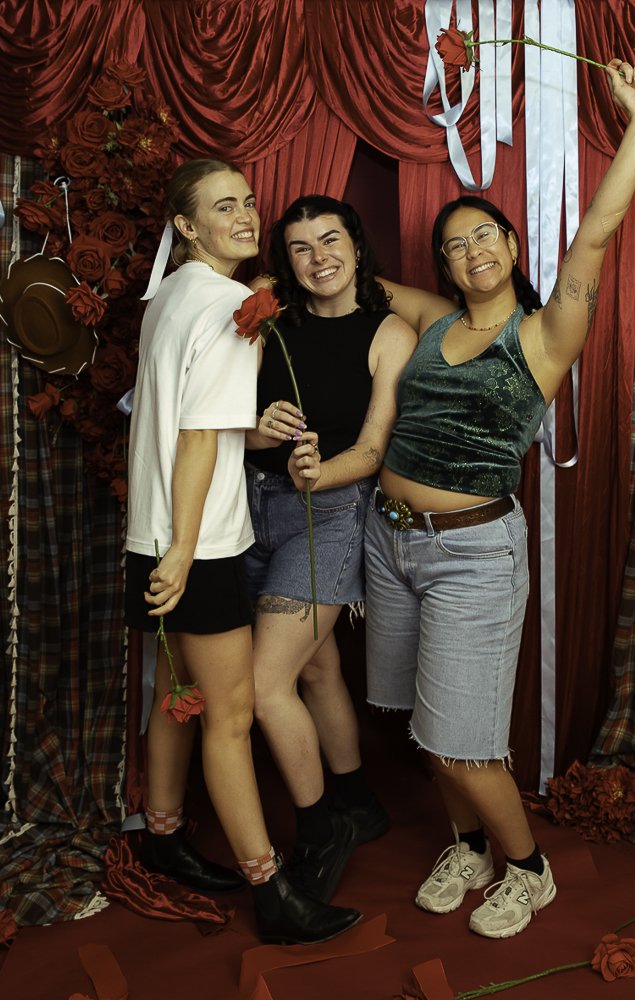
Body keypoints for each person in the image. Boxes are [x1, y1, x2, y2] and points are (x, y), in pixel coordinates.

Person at [363, 60, 635, 939]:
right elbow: (342, 286)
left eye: (483, 233)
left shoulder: (544, 332)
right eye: (453, 242)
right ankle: (468, 844)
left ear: (513, 246)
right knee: (423, 726)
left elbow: (597, 238)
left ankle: (528, 869)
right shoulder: (430, 318)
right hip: (390, 541)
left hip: (474, 553)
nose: (469, 250)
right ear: (444, 264)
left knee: (461, 735)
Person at [124, 160, 362, 944]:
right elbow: (197, 437)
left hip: (148, 529)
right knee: (227, 716)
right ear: (185, 226)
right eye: (222, 206)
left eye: (248, 201)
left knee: (176, 689)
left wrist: (256, 433)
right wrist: (189, 552)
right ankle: (273, 892)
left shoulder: (169, 298)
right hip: (200, 540)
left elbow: (191, 416)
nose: (246, 214)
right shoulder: (233, 305)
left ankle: (162, 837)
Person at [243, 195, 417, 902]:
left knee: (264, 685)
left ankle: (321, 827)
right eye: (302, 248)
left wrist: (321, 470)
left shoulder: (390, 332)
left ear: (356, 245)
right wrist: (259, 432)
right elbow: (229, 426)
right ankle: (358, 802)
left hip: (332, 512)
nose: (320, 258)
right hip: (247, 510)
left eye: (331, 240)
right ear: (286, 262)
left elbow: (374, 448)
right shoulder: (266, 322)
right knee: (315, 671)